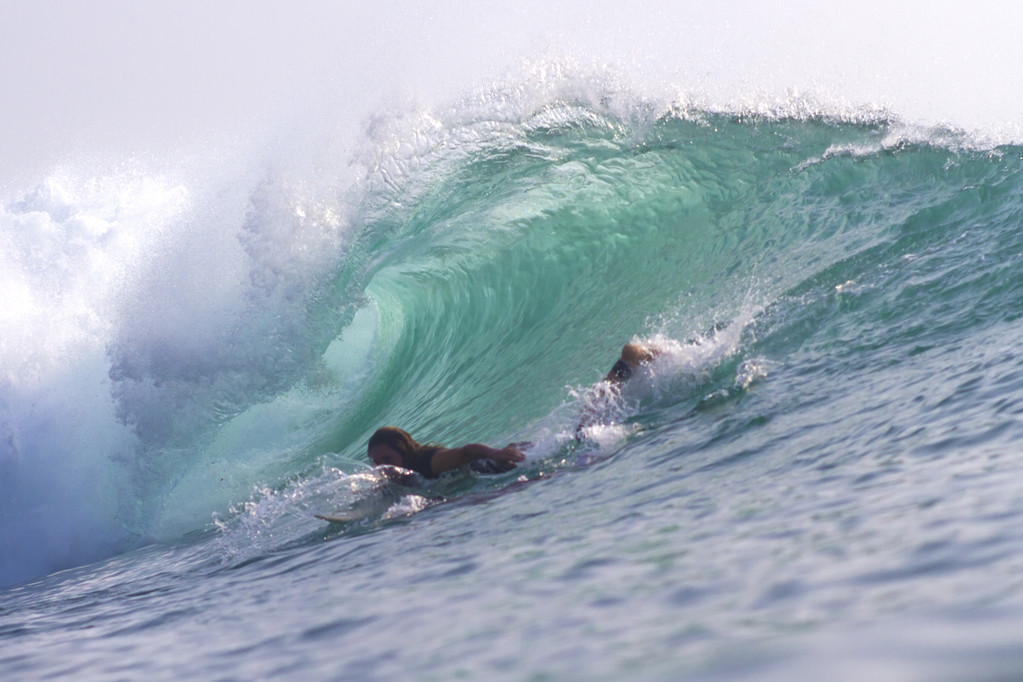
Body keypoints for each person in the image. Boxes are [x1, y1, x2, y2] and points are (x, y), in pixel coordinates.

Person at [367, 426, 526, 479]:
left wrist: (495, 453)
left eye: (387, 458)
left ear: (403, 453)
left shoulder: (429, 462)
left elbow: (466, 451)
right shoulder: (393, 478)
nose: (382, 467)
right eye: (377, 462)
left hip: (497, 465)